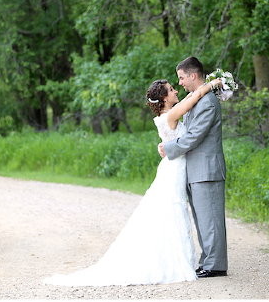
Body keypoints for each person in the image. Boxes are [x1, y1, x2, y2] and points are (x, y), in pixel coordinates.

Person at [44, 77, 222, 286]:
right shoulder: (172, 114)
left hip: (174, 167)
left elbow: (191, 98)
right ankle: (169, 261)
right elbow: (197, 95)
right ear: (164, 99)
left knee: (173, 211)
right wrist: (215, 82)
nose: (176, 91)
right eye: (172, 90)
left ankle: (177, 257)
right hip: (174, 170)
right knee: (171, 211)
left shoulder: (166, 115)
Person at [158, 56, 228, 278]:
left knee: (211, 219)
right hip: (194, 170)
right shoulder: (196, 99)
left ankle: (216, 265)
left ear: (193, 75)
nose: (180, 83)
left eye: (181, 78)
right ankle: (207, 261)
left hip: (207, 169)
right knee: (202, 220)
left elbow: (194, 136)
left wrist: (169, 149)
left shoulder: (207, 103)